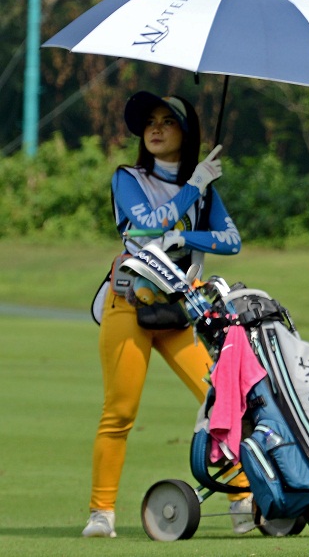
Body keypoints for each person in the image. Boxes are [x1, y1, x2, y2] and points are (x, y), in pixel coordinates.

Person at [83, 91, 253, 537]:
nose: (155, 129)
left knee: (221, 402)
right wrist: (192, 190)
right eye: (150, 122)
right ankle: (101, 513)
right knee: (119, 411)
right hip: (129, 304)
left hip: (184, 309)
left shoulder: (204, 189)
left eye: (168, 121)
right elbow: (146, 224)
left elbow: (231, 240)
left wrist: (191, 234)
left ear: (187, 132)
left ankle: (241, 500)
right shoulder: (128, 177)